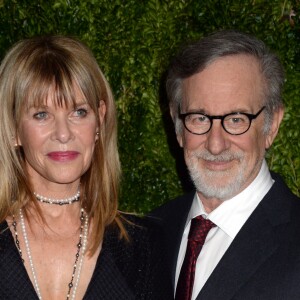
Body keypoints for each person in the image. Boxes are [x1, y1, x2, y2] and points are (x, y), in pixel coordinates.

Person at [0, 35, 172, 300]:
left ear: (100, 120)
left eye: (78, 112)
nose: (63, 133)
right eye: (41, 115)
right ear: (13, 129)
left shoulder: (143, 246)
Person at [151, 30, 300, 300]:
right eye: (199, 118)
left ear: (272, 125)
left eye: (235, 119)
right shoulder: (149, 233)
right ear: (177, 126)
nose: (215, 144)